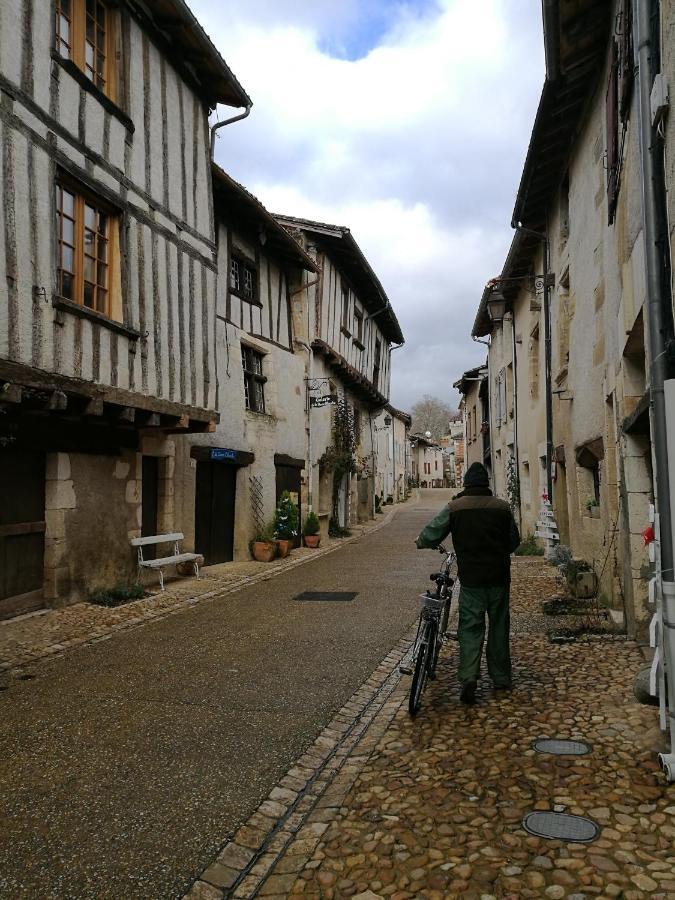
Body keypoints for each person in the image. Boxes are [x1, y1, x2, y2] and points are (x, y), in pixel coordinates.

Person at [415, 462, 520, 704]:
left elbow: (432, 532)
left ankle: (469, 677)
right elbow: (513, 541)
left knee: (470, 628)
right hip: (499, 578)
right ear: (486, 483)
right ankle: (501, 677)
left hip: (471, 579)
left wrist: (421, 541)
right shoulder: (502, 508)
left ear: (466, 483)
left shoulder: (455, 507)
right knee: (498, 628)